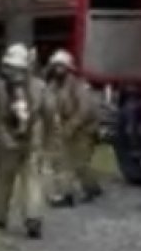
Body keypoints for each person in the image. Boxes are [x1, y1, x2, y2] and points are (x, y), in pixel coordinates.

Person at [0, 43, 53, 239]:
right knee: (33, 181)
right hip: (33, 141)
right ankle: (33, 218)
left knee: (3, 181)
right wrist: (49, 137)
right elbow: (49, 112)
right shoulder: (39, 86)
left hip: (6, 142)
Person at [44, 49, 103, 207]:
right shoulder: (53, 86)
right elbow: (49, 104)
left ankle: (89, 188)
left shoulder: (78, 86)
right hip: (67, 127)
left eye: (61, 67)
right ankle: (67, 194)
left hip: (85, 129)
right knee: (64, 162)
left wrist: (71, 126)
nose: (58, 70)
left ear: (68, 68)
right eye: (56, 66)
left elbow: (85, 110)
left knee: (80, 162)